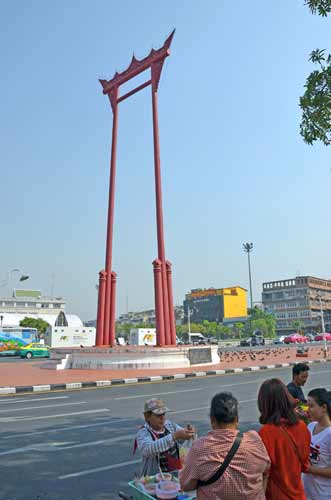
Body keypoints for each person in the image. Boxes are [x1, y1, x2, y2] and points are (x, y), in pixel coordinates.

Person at [179, 392, 270, 500]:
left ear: (212, 420)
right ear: (236, 419)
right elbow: (266, 469)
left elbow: (185, 485)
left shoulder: (200, 448)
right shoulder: (254, 440)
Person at [258, 378, 311, 500]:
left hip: (276, 494)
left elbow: (263, 471)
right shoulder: (302, 427)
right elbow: (304, 463)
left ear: (264, 403)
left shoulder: (264, 433)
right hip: (298, 493)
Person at [135, 398, 195, 476]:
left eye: (163, 414)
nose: (162, 418)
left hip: (175, 471)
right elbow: (148, 449)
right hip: (155, 477)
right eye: (158, 415)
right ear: (147, 417)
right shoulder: (143, 432)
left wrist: (188, 433)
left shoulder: (170, 425)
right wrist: (174, 436)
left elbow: (181, 438)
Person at [302, 388, 331, 499]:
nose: (307, 410)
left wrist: (310, 469)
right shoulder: (310, 426)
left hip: (324, 494)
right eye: (307, 406)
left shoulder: (329, 434)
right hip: (307, 491)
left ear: (323, 408)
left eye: (311, 406)